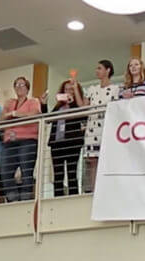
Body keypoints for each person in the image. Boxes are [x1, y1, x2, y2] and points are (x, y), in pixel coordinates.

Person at [0, 77, 41, 202]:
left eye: (22, 84)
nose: (19, 86)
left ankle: (25, 200)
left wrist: (13, 114)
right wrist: (9, 113)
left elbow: (33, 114)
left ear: (27, 88)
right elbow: (1, 119)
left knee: (26, 171)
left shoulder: (33, 101)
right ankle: (12, 199)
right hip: (9, 142)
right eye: (16, 84)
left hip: (27, 140)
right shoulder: (10, 103)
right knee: (5, 171)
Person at [83, 60, 119, 193]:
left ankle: (107, 190)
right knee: (92, 160)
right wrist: (76, 88)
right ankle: (93, 190)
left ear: (108, 70)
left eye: (100, 68)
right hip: (92, 127)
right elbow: (83, 107)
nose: (97, 71)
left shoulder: (116, 89)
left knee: (106, 158)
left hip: (106, 126)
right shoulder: (92, 89)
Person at [48, 79, 85, 197]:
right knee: (58, 174)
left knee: (71, 172)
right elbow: (48, 119)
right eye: (66, 89)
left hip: (72, 142)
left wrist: (73, 101)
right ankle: (57, 199)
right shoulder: (58, 107)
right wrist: (44, 104)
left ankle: (73, 198)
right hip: (57, 143)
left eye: (71, 89)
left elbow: (82, 115)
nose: (68, 91)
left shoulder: (77, 105)